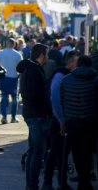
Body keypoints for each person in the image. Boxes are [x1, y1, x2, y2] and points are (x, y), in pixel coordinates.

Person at [41, 51, 80, 190]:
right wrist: (62, 121)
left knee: (64, 152)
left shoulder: (70, 75)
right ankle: (47, 183)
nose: (78, 66)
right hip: (58, 120)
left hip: (65, 119)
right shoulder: (60, 75)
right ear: (69, 63)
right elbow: (55, 100)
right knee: (55, 151)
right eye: (76, 62)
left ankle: (62, 182)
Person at [17, 44, 51, 190]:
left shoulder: (30, 69)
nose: (48, 58)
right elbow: (35, 95)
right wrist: (48, 109)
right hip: (36, 115)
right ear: (41, 55)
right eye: (47, 55)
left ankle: (31, 184)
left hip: (33, 114)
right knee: (38, 151)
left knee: (34, 150)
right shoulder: (33, 70)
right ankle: (32, 185)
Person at [60, 55, 98, 190]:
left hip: (72, 121)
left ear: (77, 65)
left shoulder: (66, 80)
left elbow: (62, 101)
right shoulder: (95, 80)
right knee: (87, 152)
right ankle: (84, 183)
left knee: (76, 152)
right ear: (91, 65)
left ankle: (83, 181)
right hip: (89, 121)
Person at [0, 38, 23, 123]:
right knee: (15, 99)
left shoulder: (0, 52)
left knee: (4, 98)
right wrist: (20, 74)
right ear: (14, 45)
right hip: (14, 78)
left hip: (4, 78)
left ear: (7, 44)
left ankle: (4, 117)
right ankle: (13, 117)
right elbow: (21, 66)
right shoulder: (18, 54)